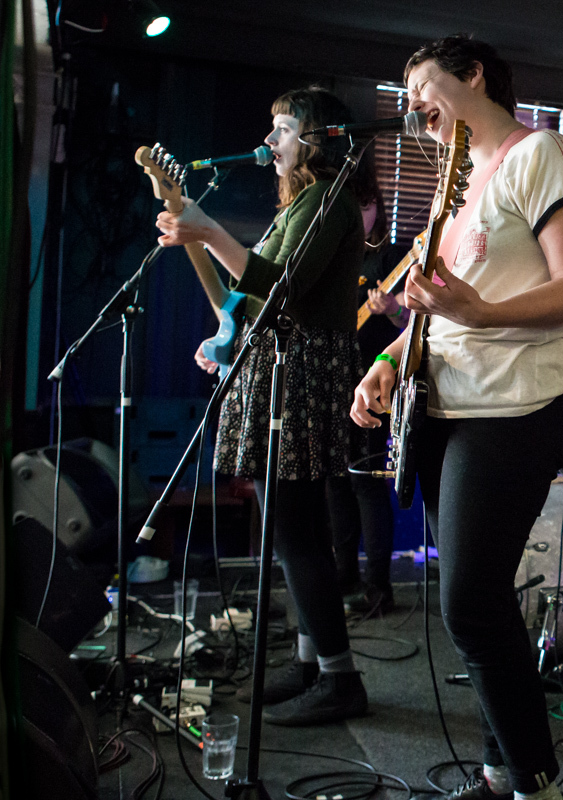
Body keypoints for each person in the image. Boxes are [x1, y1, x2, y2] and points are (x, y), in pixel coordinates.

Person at [350, 35, 563, 800]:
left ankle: (534, 785)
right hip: (446, 409)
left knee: (467, 601)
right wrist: (387, 361)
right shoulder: (452, 191)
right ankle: (504, 773)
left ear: (473, 76)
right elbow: (434, 320)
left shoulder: (545, 154)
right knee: (479, 602)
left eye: (421, 84)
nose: (411, 104)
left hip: (517, 408)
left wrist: (481, 311)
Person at [156, 86, 369, 726]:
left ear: (318, 137)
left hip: (299, 374)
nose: (270, 141)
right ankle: (313, 663)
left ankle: (339, 677)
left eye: (282, 128)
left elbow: (282, 287)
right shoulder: (300, 205)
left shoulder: (328, 202)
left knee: (294, 529)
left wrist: (211, 230)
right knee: (293, 528)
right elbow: (248, 298)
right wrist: (222, 337)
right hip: (282, 366)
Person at [326, 186, 408, 615]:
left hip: (375, 376)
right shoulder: (332, 255)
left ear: (378, 207)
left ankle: (379, 586)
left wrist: (393, 309)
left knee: (368, 483)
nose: (359, 214)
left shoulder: (393, 258)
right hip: (331, 376)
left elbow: (414, 321)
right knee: (336, 480)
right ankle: (344, 578)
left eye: (366, 205)